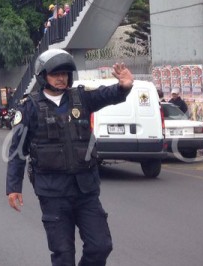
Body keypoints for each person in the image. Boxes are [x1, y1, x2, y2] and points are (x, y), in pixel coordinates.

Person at [7, 49, 134, 266]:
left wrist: (123, 87)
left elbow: (106, 94)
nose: (61, 78)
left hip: (86, 191)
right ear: (42, 76)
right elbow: (17, 151)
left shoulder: (81, 98)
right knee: (63, 255)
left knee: (100, 246)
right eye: (55, 73)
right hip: (53, 193)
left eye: (65, 73)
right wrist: (13, 187)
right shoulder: (29, 107)